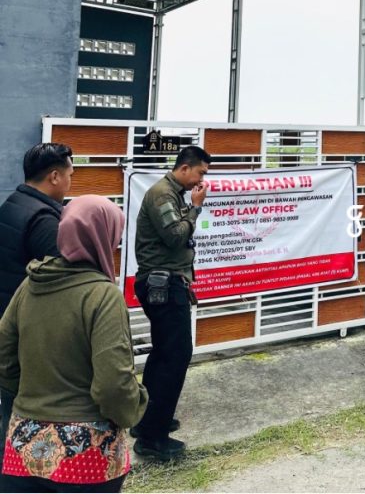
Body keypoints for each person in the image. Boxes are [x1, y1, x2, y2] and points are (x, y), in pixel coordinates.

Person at [0, 195, 148, 492]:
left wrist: (30, 401)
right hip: (86, 458)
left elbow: (4, 357)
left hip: (22, 450)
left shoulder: (29, 285)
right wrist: (136, 406)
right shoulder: (102, 296)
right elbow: (113, 385)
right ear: (102, 236)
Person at [131, 146, 210, 460]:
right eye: (200, 173)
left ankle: (149, 420)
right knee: (175, 355)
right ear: (186, 168)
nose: (201, 180)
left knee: (164, 353)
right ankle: (152, 438)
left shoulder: (172, 193)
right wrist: (195, 208)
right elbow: (176, 236)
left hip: (165, 283)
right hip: (162, 285)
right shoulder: (163, 195)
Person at [0, 142, 73, 463]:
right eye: (70, 173)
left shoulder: (14, 203)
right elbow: (59, 280)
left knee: (9, 398)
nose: (72, 180)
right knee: (21, 406)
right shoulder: (44, 219)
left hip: (9, 317)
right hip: (27, 328)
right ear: (54, 176)